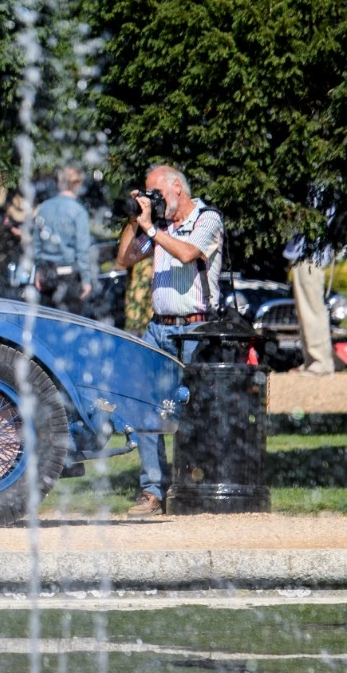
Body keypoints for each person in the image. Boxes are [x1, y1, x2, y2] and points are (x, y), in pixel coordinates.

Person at [114, 164, 224, 516]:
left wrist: (150, 227)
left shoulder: (208, 219)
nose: (153, 201)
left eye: (156, 194)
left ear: (178, 187)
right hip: (158, 328)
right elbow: (125, 259)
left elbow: (187, 254)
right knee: (145, 405)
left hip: (196, 329)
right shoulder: (159, 226)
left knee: (193, 411)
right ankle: (152, 491)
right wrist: (136, 220)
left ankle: (193, 487)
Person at [33, 165, 97, 316]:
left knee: (47, 321)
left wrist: (38, 270)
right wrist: (86, 279)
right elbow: (82, 250)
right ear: (78, 184)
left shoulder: (44, 208)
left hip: (47, 274)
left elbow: (37, 242)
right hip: (69, 275)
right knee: (69, 324)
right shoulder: (79, 211)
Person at [284, 231, 336, 375]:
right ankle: (311, 361)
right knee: (305, 312)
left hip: (310, 257)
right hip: (303, 256)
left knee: (312, 310)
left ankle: (321, 363)